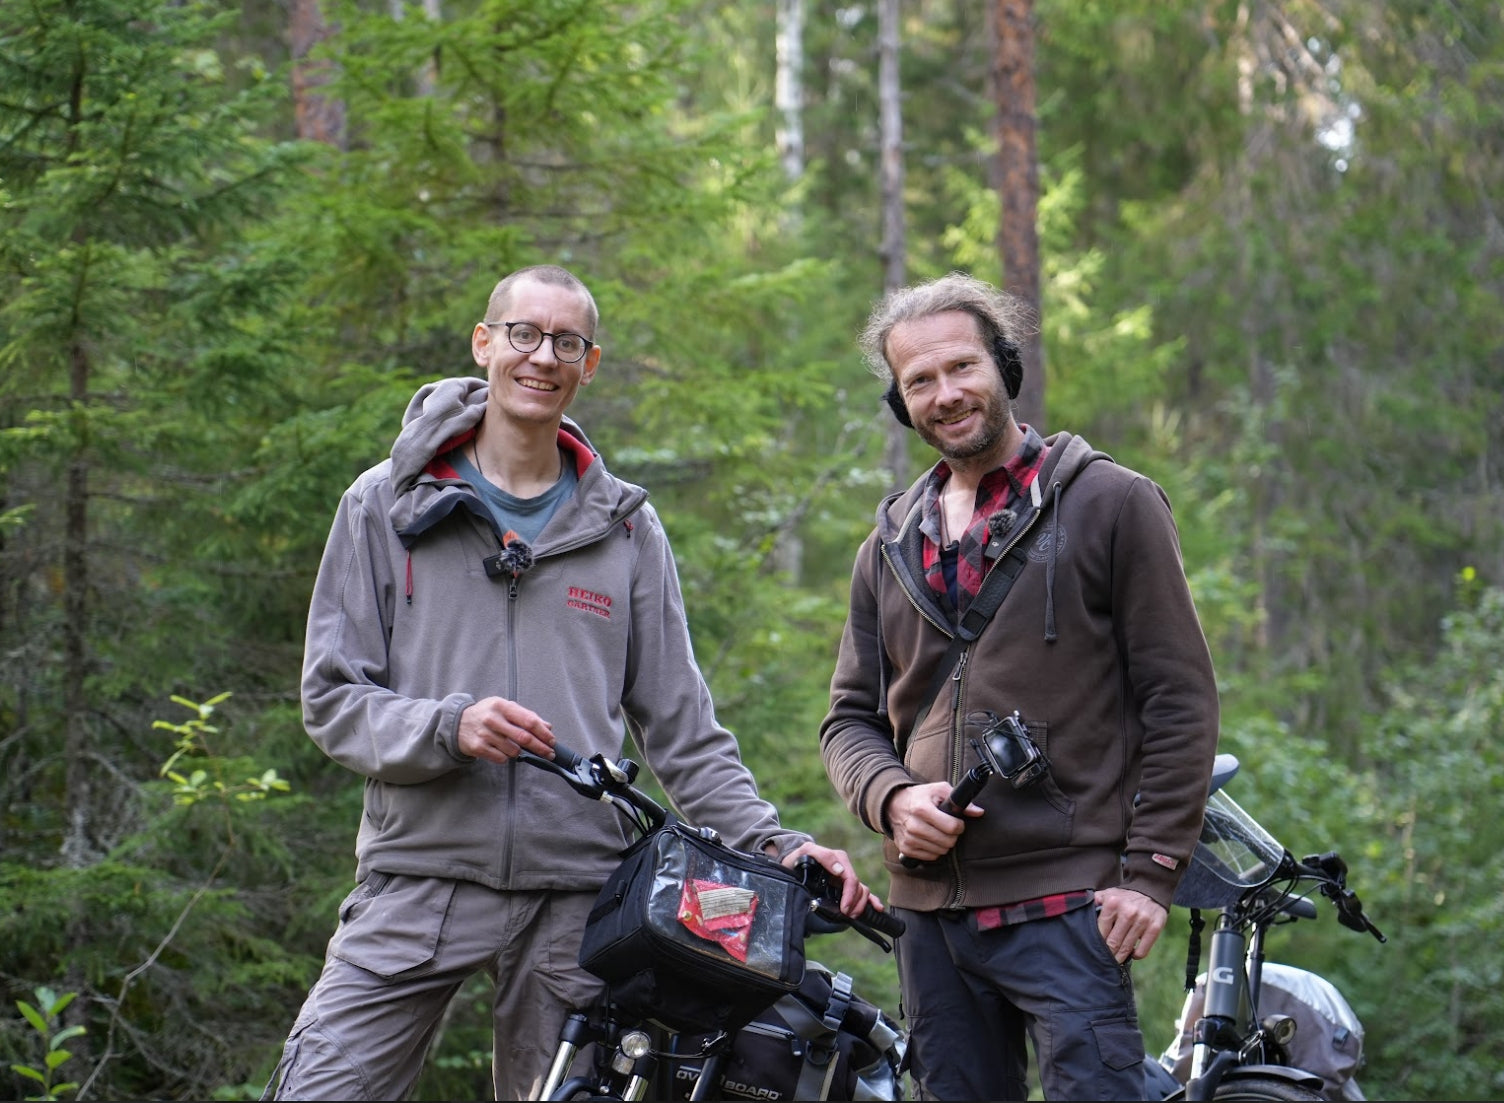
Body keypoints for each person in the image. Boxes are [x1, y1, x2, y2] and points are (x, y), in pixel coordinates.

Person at [263, 264, 878, 1102]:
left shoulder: (623, 527)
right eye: (523, 332)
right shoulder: (384, 505)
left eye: (567, 342)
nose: (542, 355)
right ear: (485, 343)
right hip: (417, 879)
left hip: (579, 906)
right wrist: (449, 727)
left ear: (588, 364)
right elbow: (332, 696)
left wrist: (776, 845)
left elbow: (683, 729)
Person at [819, 272, 1220, 1100]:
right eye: (918, 380)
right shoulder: (886, 545)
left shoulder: (1112, 503)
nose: (945, 393)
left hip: (1070, 906)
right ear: (901, 402)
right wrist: (891, 800)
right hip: (928, 920)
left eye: (961, 367)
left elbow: (1179, 701)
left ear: (1003, 366)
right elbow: (849, 721)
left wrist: (1149, 874)